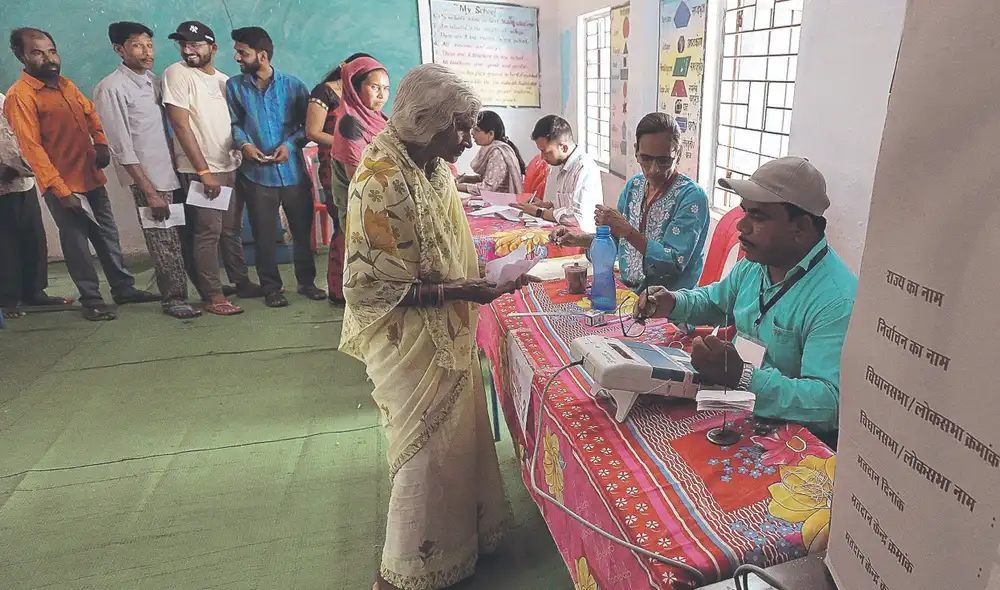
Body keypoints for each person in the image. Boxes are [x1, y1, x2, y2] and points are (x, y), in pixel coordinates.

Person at [341, 63, 531, 590]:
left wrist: (479, 278)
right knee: (423, 452)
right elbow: (368, 286)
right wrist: (467, 291)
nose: (469, 141)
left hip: (445, 325)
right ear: (426, 121)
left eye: (471, 127)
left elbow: (449, 244)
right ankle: (402, 569)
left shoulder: (431, 165)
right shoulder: (380, 179)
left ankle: (462, 542)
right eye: (461, 127)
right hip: (409, 339)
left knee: (458, 435)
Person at [634, 157, 857, 441]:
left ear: (800, 228)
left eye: (759, 217)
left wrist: (741, 375)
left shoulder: (836, 301)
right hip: (741, 407)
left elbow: (828, 403)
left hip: (794, 440)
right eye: (745, 212)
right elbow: (717, 302)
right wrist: (673, 303)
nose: (741, 226)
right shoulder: (757, 262)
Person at [5, 28, 158, 321]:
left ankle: (123, 288)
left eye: (51, 51)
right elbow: (31, 149)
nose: (48, 58)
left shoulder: (65, 85)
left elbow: (91, 116)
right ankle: (91, 299)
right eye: (37, 52)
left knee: (107, 235)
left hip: (90, 177)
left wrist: (100, 143)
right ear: (21, 56)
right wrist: (61, 191)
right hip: (63, 187)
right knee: (76, 242)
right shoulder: (20, 96)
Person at [94, 22, 201, 319]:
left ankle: (195, 289)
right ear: (119, 49)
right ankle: (174, 299)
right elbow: (121, 146)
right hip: (151, 181)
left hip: (173, 173)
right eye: (138, 45)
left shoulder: (153, 80)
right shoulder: (111, 88)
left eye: (149, 45)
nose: (147, 52)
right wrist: (149, 191)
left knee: (180, 237)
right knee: (162, 240)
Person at [162, 20, 261, 316]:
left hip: (229, 166)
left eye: (195, 44)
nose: (188, 50)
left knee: (230, 230)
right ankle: (213, 295)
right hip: (203, 170)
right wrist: (203, 171)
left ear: (213, 48)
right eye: (183, 44)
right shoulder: (176, 74)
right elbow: (180, 125)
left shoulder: (223, 80)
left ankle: (240, 282)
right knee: (208, 231)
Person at [550, 112, 710, 291]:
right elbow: (617, 242)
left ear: (678, 154)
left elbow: (672, 263)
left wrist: (627, 231)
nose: (654, 169)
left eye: (664, 161)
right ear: (636, 152)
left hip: (670, 303)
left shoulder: (691, 197)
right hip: (628, 291)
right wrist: (579, 239)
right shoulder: (635, 186)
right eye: (646, 159)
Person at [226, 27, 324, 308]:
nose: (237, 57)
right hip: (256, 174)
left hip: (292, 171)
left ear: (263, 55)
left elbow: (306, 128)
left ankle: (307, 283)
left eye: (242, 52)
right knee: (264, 234)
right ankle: (271, 288)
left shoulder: (294, 86)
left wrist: (290, 145)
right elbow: (233, 124)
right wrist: (245, 145)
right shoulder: (234, 87)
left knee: (302, 230)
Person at [305, 52, 372, 304]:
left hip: (361, 164)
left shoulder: (362, 94)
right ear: (344, 67)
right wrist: (349, 145)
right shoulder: (325, 92)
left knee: (362, 224)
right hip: (334, 164)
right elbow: (312, 132)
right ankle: (338, 289)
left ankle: (360, 285)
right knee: (344, 222)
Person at [0, 91, 59, 319]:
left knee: (33, 237)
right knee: (5, 244)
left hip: (22, 178)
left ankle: (34, 292)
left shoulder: (4, 98)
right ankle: (6, 299)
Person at [513, 114, 603, 231]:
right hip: (565, 233)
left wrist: (540, 212)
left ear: (564, 148)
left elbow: (577, 218)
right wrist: (549, 204)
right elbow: (569, 202)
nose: (542, 157)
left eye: (545, 152)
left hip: (582, 239)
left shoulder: (584, 168)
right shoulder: (565, 165)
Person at [456, 110, 525, 195]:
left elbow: (487, 188)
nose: (472, 133)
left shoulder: (498, 152)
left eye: (477, 130)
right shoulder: (492, 149)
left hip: (501, 203)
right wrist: (465, 178)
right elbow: (488, 178)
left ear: (491, 134)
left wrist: (456, 187)